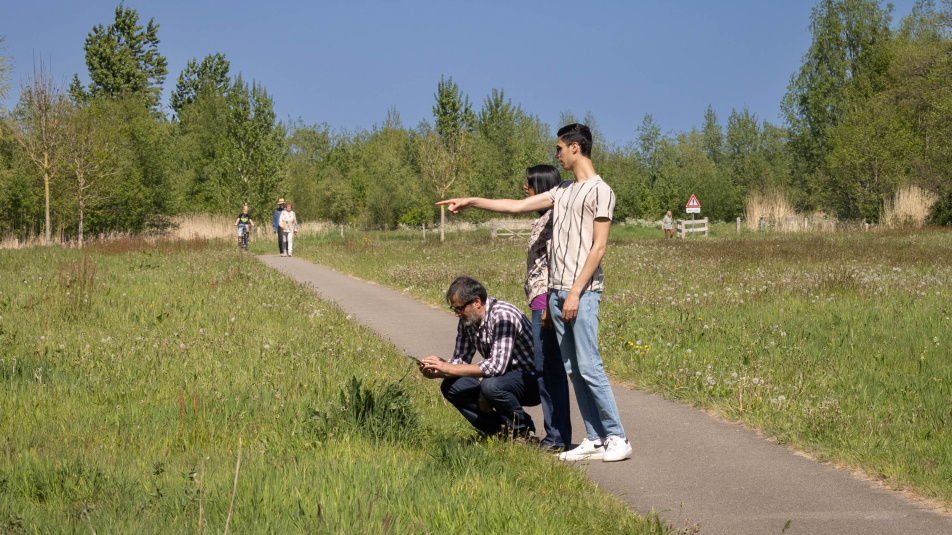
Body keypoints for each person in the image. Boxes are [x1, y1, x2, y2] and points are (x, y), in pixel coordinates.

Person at [437, 123, 632, 462]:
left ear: (575, 147)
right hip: (555, 293)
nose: (555, 154)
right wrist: (471, 201)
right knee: (571, 367)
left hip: (579, 292)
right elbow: (514, 206)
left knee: (589, 365)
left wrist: (573, 293)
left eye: (559, 148)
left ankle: (617, 435)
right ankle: (595, 438)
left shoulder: (602, 191)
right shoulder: (564, 190)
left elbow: (599, 248)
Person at [418, 277, 540, 439]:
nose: (456, 314)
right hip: (503, 379)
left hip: (534, 381)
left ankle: (522, 432)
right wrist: (438, 371)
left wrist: (448, 368)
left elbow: (497, 366)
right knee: (452, 386)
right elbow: (460, 360)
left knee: (490, 386)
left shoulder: (503, 316)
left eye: (459, 308)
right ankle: (499, 431)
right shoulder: (467, 321)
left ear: (476, 301)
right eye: (453, 309)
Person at [523, 164, 572, 452]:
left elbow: (555, 260)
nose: (525, 189)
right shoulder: (545, 218)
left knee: (549, 369)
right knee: (546, 368)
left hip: (545, 301)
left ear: (541, 187)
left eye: (529, 184)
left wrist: (547, 306)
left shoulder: (553, 218)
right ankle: (556, 435)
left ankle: (557, 437)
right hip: (540, 300)